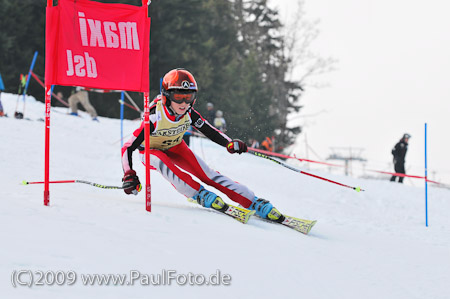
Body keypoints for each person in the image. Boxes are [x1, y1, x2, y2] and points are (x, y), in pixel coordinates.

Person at [121, 68, 284, 222]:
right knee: (165, 164)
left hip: (175, 147)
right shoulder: (155, 117)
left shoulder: (189, 113)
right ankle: (198, 194)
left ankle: (251, 201)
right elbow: (127, 147)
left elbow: (210, 131)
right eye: (179, 97)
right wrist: (129, 173)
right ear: (166, 97)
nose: (184, 103)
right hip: (151, 151)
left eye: (189, 97)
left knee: (207, 173)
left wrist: (230, 143)